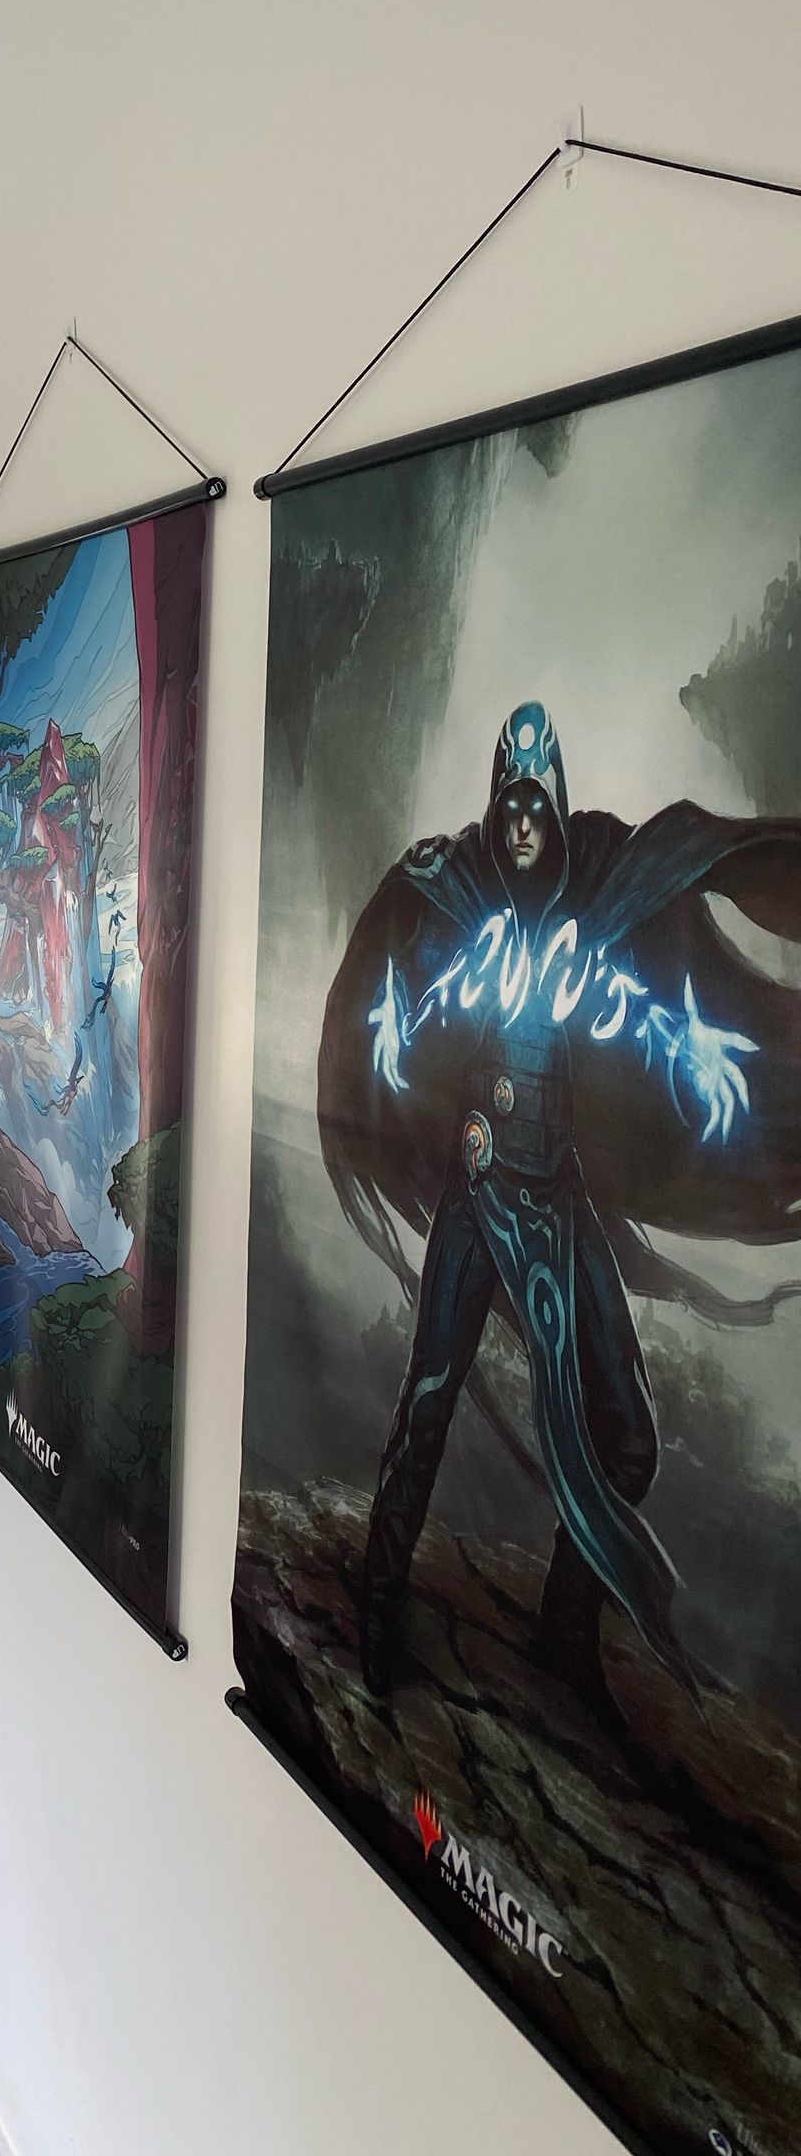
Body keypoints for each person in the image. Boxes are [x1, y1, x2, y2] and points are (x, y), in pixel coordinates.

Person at [319, 703, 801, 1702]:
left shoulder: (605, 891)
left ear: (561, 802)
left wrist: (700, 1058)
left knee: (626, 1433)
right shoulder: (454, 888)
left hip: (560, 1197)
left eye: (539, 801)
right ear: (494, 809)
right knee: (427, 1399)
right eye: (510, 802)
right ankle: (377, 1597)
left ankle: (565, 1629)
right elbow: (401, 994)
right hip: (478, 1189)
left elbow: (661, 1006)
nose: (524, 820)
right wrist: (397, 1026)